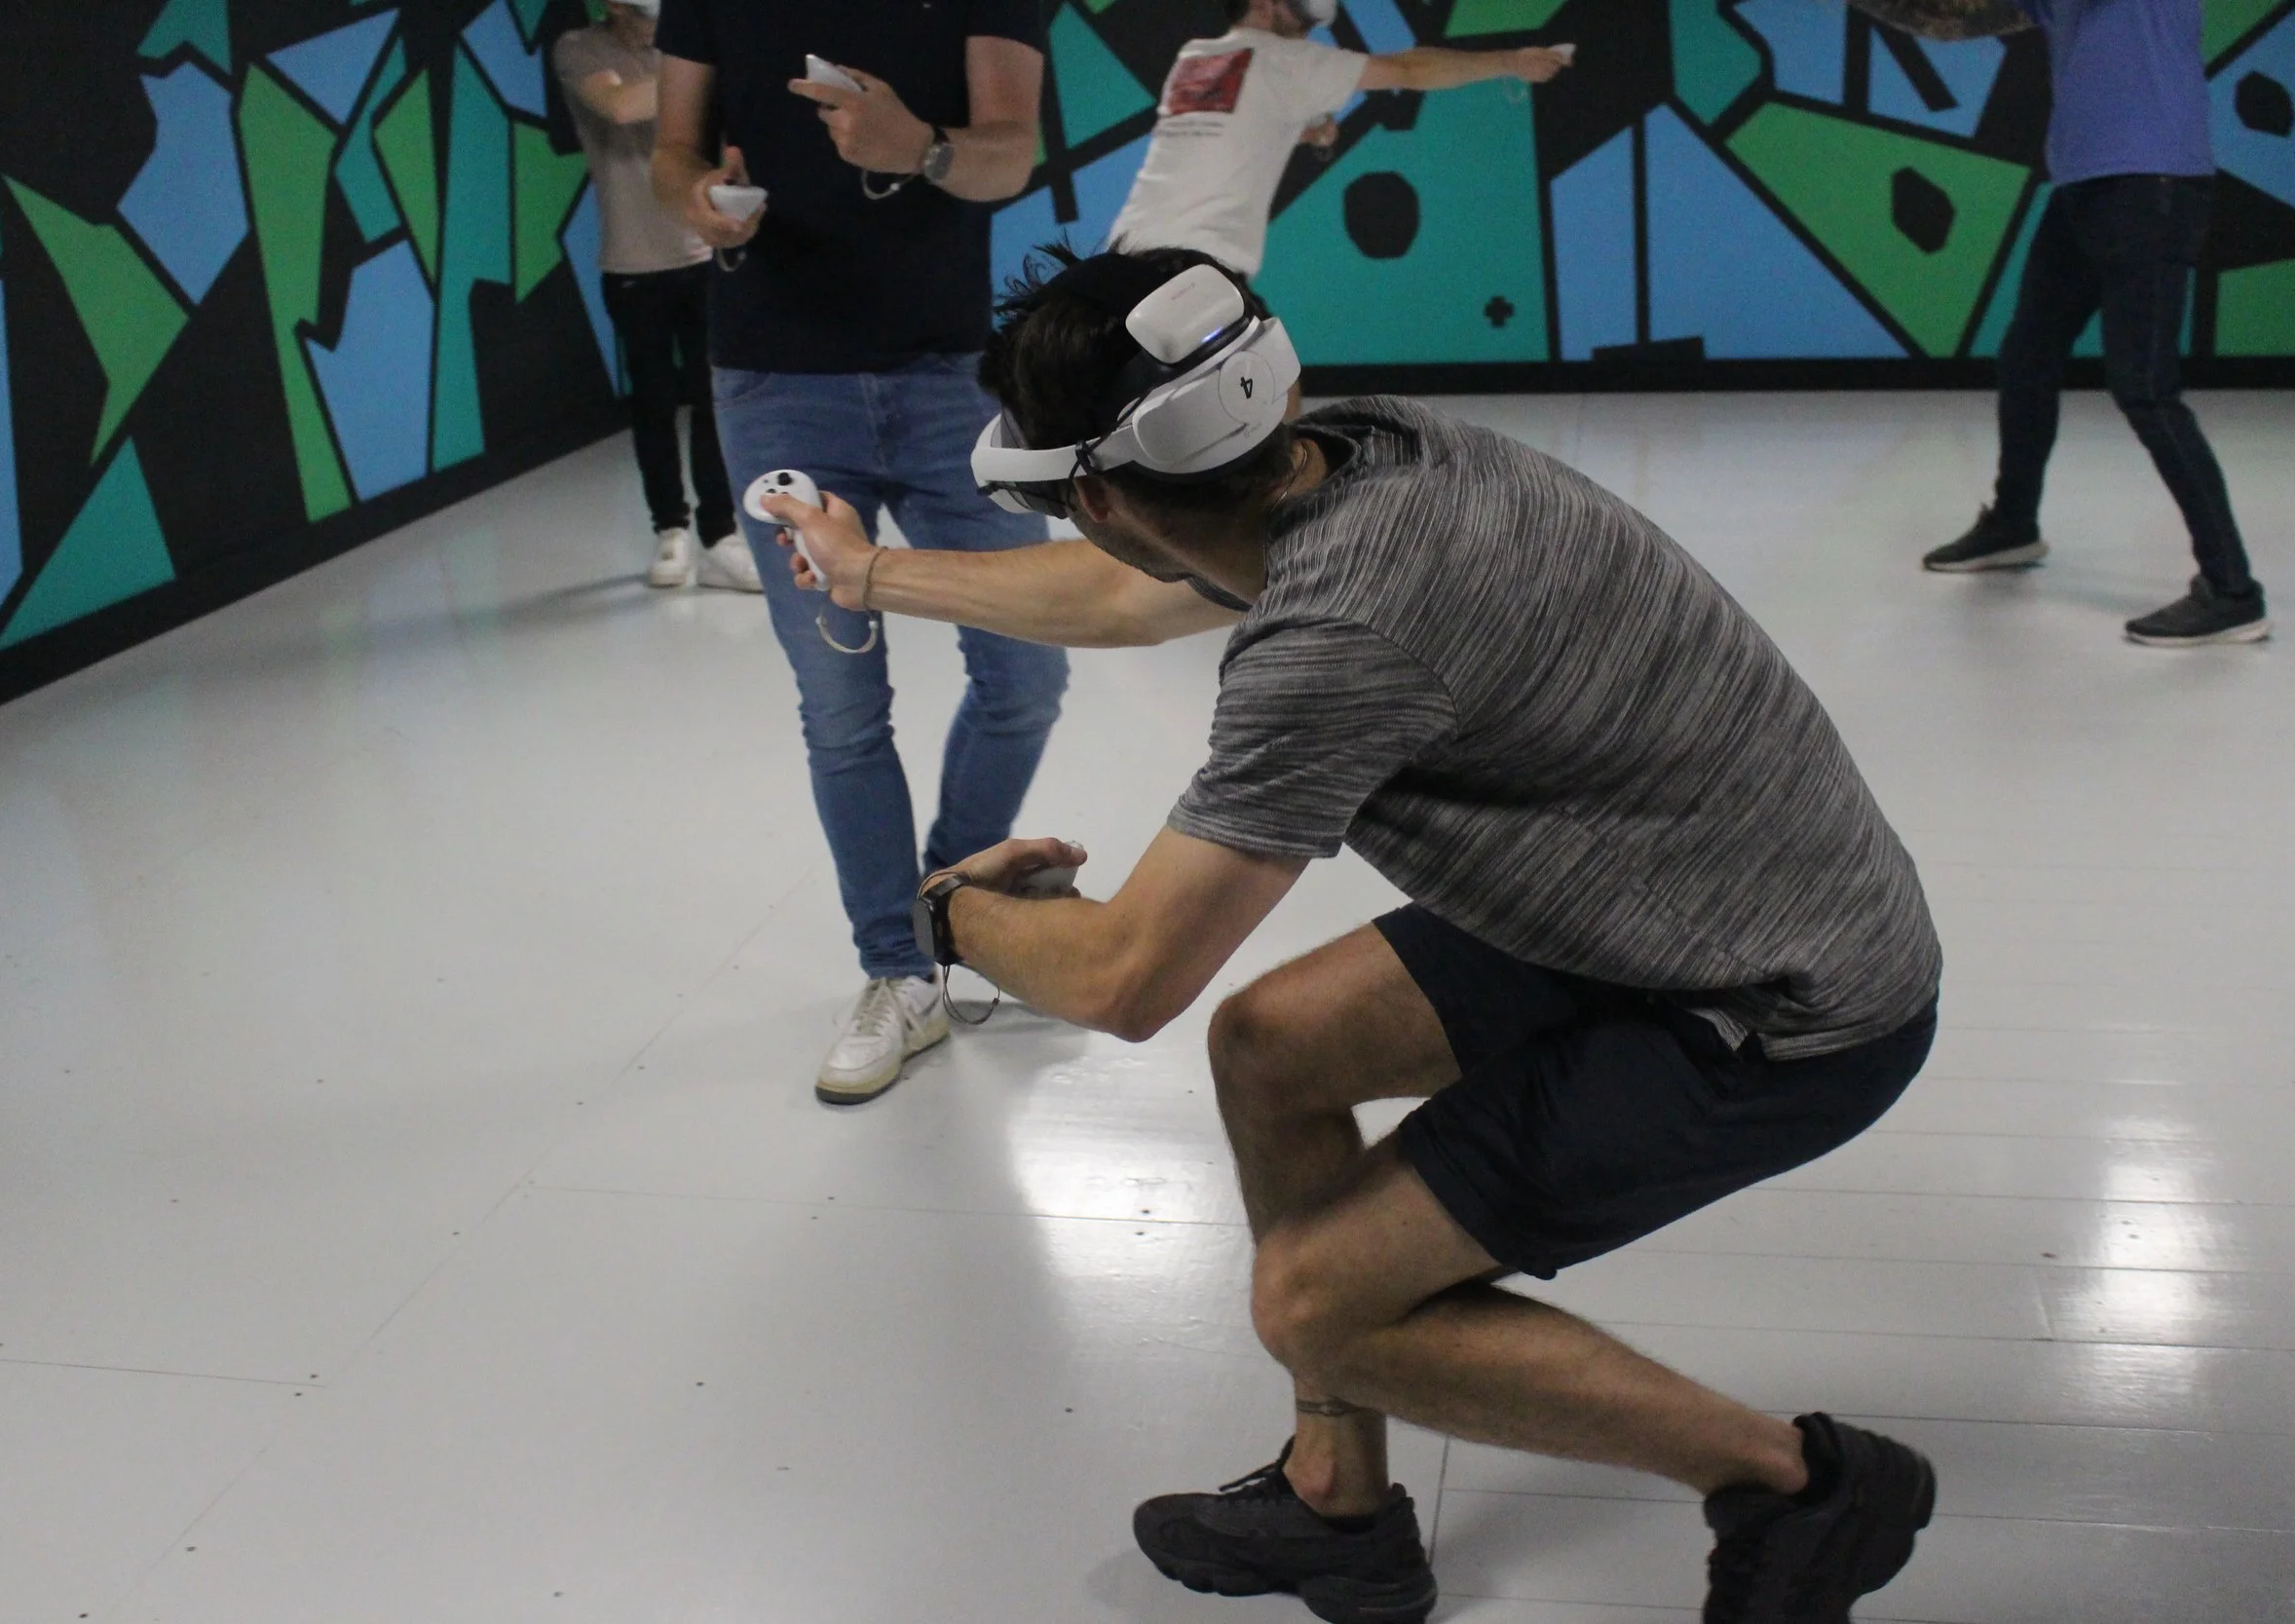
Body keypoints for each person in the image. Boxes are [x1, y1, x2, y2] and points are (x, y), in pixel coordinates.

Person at [761, 245, 1947, 1624]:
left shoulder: (1338, 635)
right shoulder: (1365, 447)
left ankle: (1803, 1485)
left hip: (1778, 1005)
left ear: (1089, 495)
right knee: (1273, 1043)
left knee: (1316, 1306)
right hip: (1670, 891)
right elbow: (1125, 593)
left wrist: (943, 911)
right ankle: (1341, 1508)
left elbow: (1125, 975)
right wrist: (865, 576)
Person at [649, 3, 1072, 1105]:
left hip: (948, 380)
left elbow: (1008, 152)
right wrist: (696, 203)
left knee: (1027, 674)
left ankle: (954, 908)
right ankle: (898, 965)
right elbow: (669, 151)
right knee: (841, 703)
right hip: (775, 383)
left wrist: (920, 149)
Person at [1852, 0, 2270, 647]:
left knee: (2147, 389)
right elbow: (1950, 18)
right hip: (2083, 185)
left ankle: (2233, 591)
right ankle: (2014, 523)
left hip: (2150, 185)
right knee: (2027, 356)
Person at [1109, 0, 1570, 279]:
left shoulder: (1196, 59)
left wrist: (1302, 130)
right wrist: (1511, 61)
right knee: (1273, 392)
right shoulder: (1289, 60)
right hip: (1195, 268)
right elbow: (1409, 69)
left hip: (1125, 255)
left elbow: (1227, 132)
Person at [552, 0, 746, 591]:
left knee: (717, 399)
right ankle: (671, 530)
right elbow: (618, 104)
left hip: (702, 252)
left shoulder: (687, 41)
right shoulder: (579, 48)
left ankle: (721, 533)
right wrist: (700, 68)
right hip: (632, 265)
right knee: (653, 403)